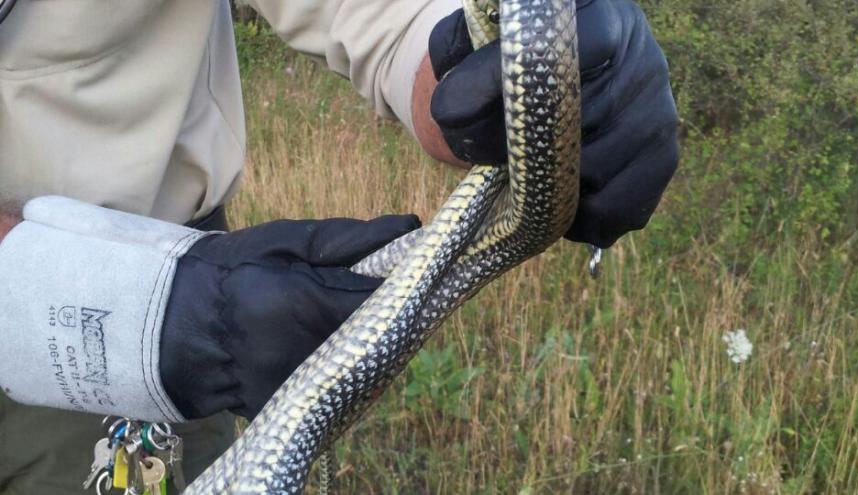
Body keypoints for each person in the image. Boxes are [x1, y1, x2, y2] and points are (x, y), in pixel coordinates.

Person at [0, 0, 678, 493]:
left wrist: (462, 49)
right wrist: (119, 307)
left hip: (140, 364)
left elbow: (383, 16)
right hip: (148, 313)